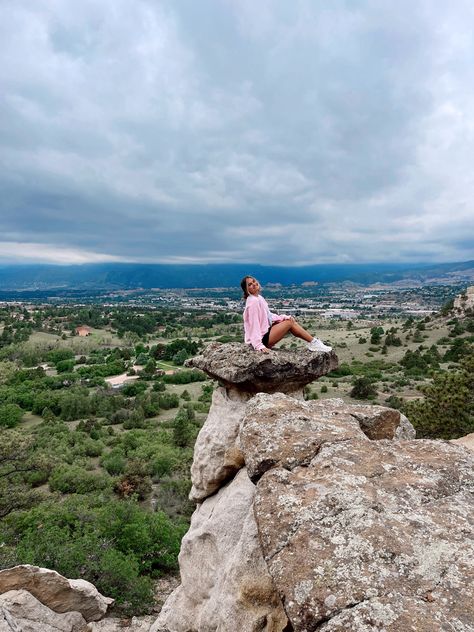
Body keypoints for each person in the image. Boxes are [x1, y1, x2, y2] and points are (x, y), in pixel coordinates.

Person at [241, 275, 332, 353]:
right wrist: (258, 346)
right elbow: (254, 324)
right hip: (262, 339)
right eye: (249, 284)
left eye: (253, 281)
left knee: (288, 320)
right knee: (289, 323)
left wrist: (282, 317)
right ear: (246, 290)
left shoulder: (259, 298)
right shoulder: (253, 302)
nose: (253, 284)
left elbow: (268, 316)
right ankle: (314, 343)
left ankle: (313, 342)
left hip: (265, 333)